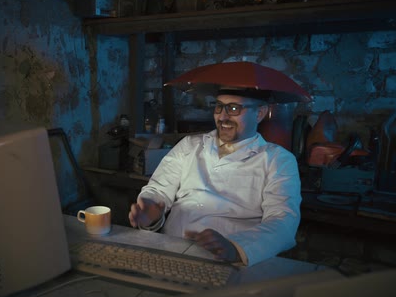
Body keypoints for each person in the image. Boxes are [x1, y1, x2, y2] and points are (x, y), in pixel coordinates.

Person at [128, 90, 301, 267]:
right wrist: (150, 211)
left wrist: (235, 248)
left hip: (228, 262)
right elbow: (158, 190)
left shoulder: (278, 160)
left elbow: (283, 221)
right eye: (219, 107)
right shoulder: (189, 145)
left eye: (233, 108)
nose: (223, 116)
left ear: (260, 113)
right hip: (171, 249)